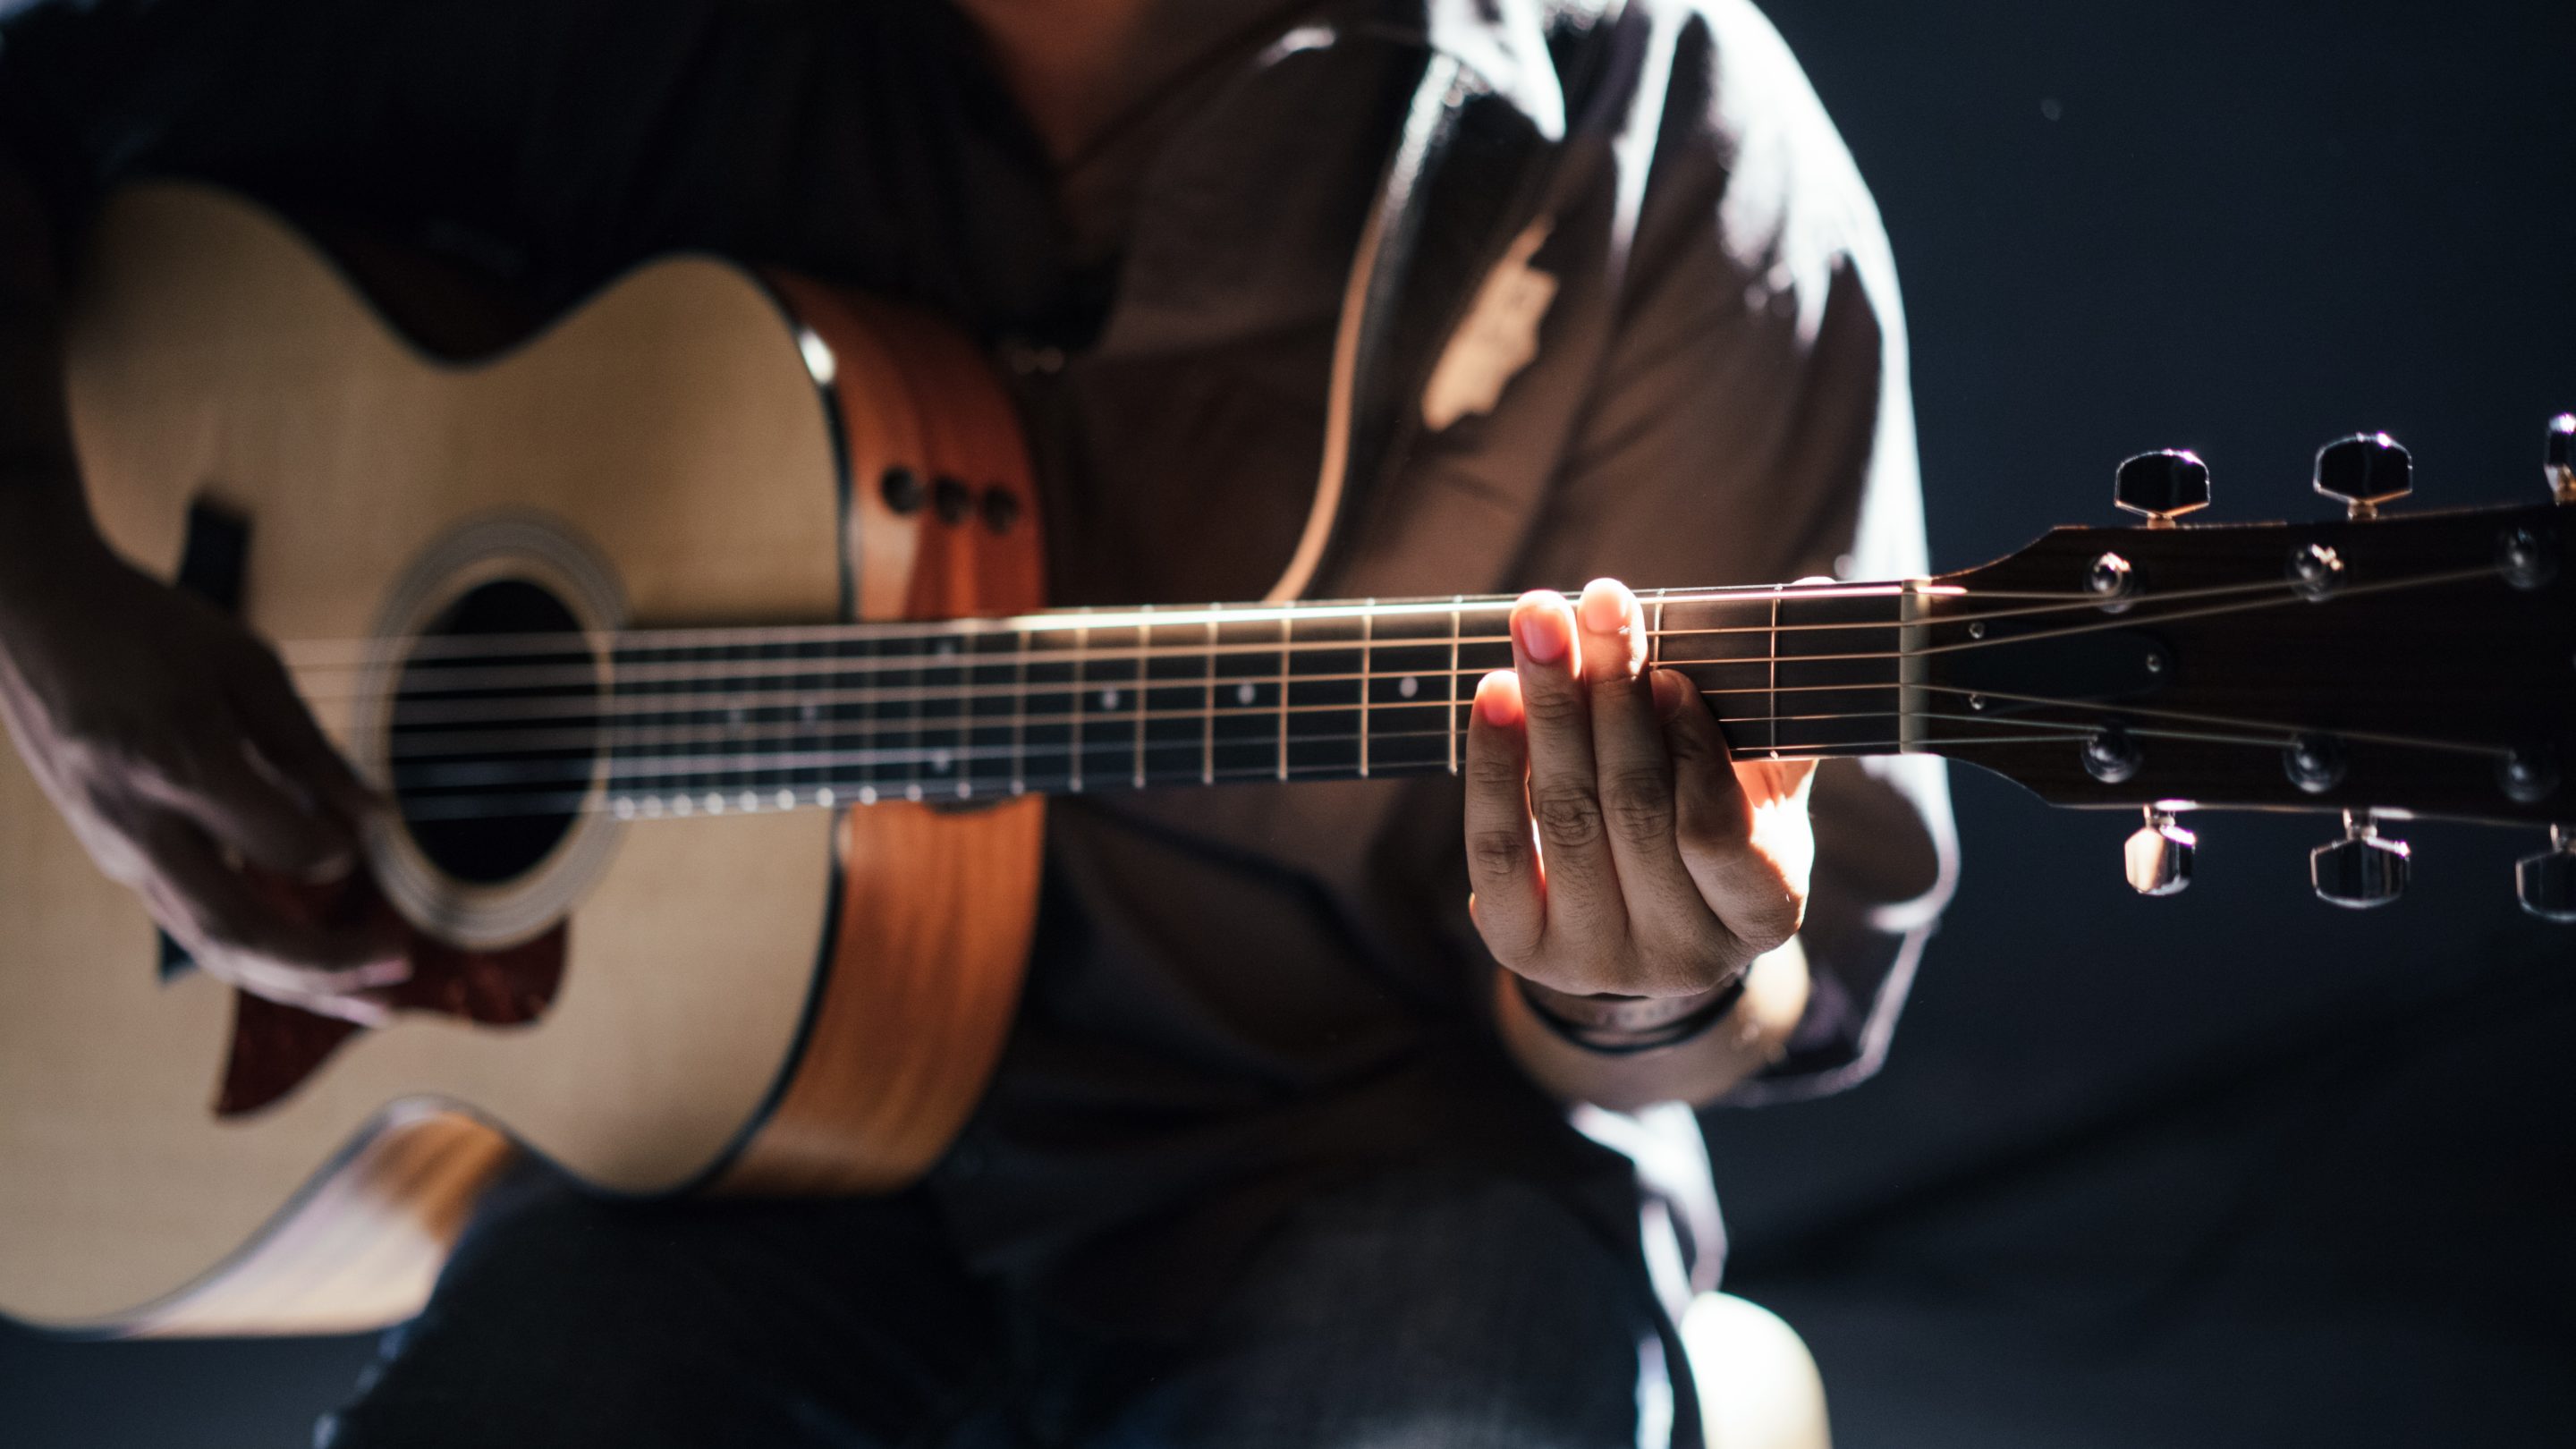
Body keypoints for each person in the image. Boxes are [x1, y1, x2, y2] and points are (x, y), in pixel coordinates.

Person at [0, 0, 1954, 1444]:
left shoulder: (1668, 133)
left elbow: (1753, 998)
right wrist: (47, 598)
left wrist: (1643, 977)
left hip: (1363, 1155)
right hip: (717, 1170)